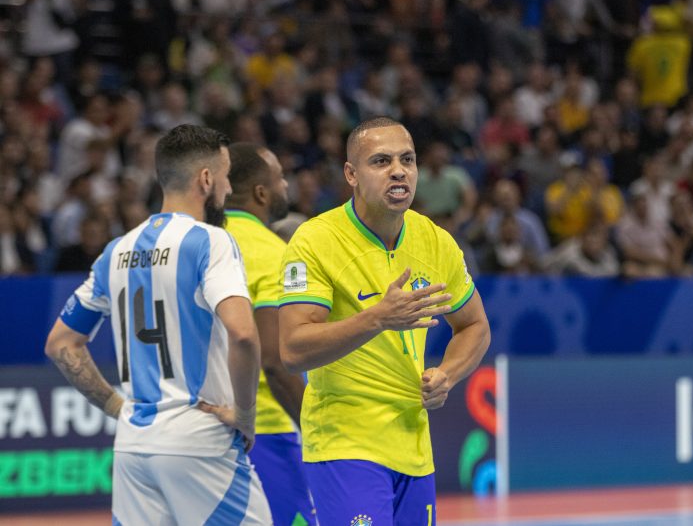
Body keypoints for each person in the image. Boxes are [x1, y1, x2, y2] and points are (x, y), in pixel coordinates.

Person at [44, 125, 271, 525]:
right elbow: (243, 333)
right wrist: (246, 416)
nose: (228, 186)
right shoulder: (211, 241)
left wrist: (116, 406)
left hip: (133, 447)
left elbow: (61, 344)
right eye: (225, 174)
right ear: (206, 179)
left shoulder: (116, 250)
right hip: (199, 442)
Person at [278, 117, 491, 524]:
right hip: (345, 442)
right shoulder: (315, 240)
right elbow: (292, 349)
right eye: (381, 161)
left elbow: (474, 326)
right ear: (351, 175)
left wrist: (447, 373)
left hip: (413, 444)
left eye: (407, 159)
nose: (398, 170)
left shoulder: (436, 241)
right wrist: (377, 318)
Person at [224, 142, 317, 526]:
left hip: (200, 428)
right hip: (265, 430)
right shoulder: (274, 253)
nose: (286, 186)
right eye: (280, 178)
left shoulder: (198, 242)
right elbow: (276, 364)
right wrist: (317, 428)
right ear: (261, 193)